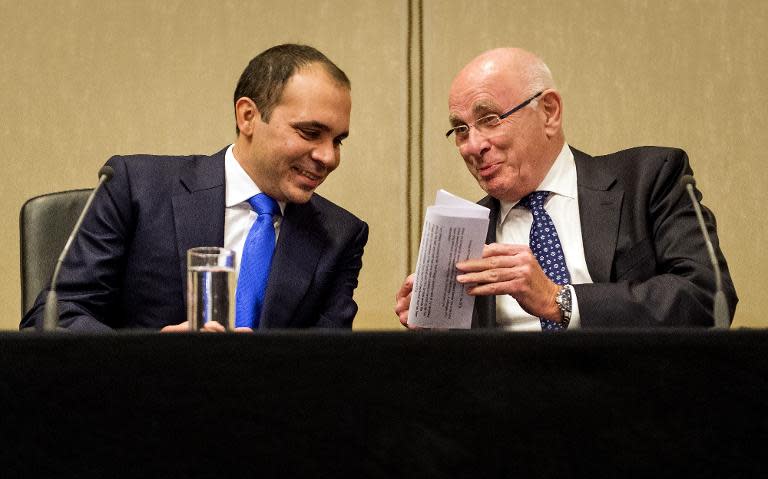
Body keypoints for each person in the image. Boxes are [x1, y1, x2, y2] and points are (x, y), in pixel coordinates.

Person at [22, 44, 368, 332]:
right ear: (247, 116)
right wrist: (147, 355)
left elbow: (330, 364)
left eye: (338, 141)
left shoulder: (339, 236)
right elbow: (55, 316)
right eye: (310, 133)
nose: (328, 157)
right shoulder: (137, 187)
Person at [395, 47, 736, 330]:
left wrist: (559, 300)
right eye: (461, 130)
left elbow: (706, 297)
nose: (472, 145)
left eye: (490, 119)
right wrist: (432, 331)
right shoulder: (463, 234)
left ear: (549, 112)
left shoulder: (648, 179)